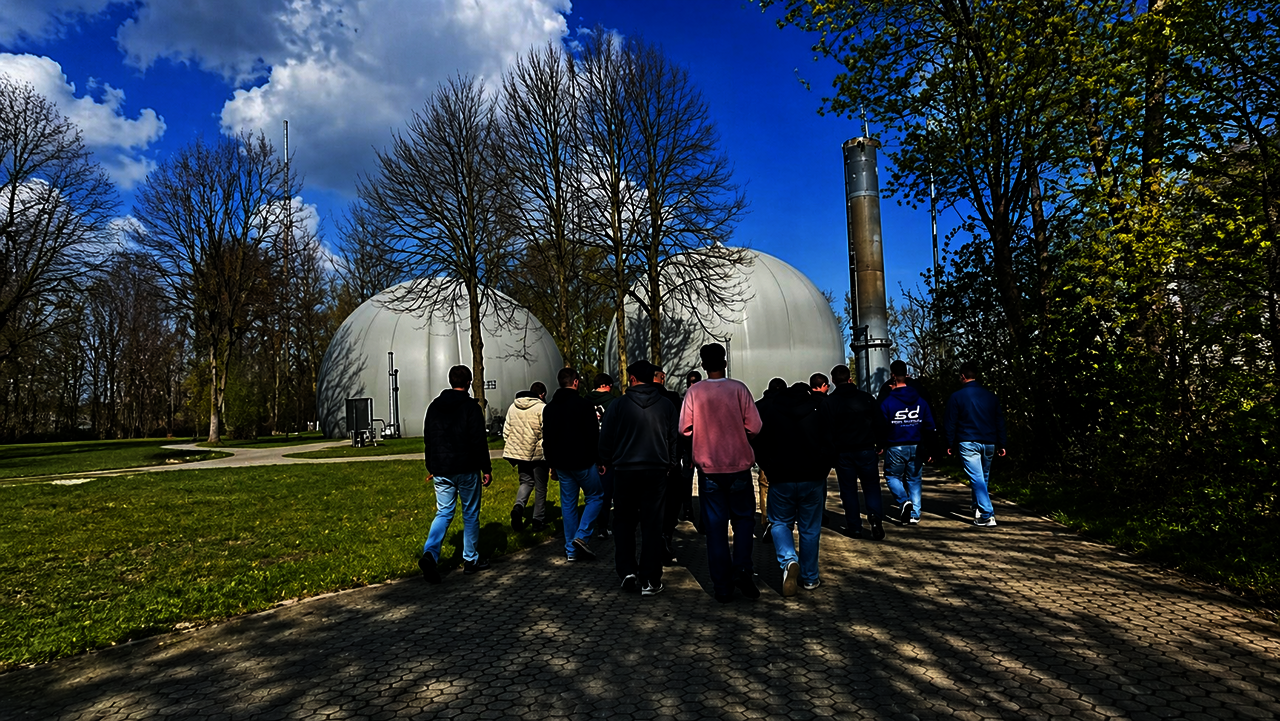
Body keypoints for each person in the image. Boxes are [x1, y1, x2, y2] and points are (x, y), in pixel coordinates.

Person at [679, 342, 763, 603]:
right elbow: (756, 426)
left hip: (709, 469)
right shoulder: (739, 389)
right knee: (744, 522)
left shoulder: (695, 392)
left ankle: (722, 587)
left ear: (703, 366)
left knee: (715, 529)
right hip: (738, 466)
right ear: (724, 363)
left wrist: (701, 436)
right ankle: (742, 569)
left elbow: (684, 429)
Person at [598, 360, 679, 596]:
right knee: (652, 524)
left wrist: (604, 460)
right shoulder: (666, 406)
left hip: (624, 471)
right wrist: (671, 464)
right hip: (656, 470)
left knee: (624, 521)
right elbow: (673, 439)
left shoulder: (618, 405)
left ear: (632, 379)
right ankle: (650, 579)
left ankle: (627, 571)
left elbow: (606, 438)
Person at [755, 381, 832, 596]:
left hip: (781, 478)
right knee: (810, 529)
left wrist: (768, 468)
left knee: (779, 522)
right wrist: (823, 469)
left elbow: (759, 443)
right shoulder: (819, 409)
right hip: (812, 478)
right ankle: (810, 578)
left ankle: (789, 560)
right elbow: (830, 441)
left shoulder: (771, 410)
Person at [418, 365, 493, 583]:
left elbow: (428, 438)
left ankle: (431, 554)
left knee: (443, 513)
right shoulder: (471, 408)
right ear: (469, 382)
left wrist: (431, 465)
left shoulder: (434, 407)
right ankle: (471, 559)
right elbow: (479, 441)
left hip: (441, 468)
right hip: (467, 468)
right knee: (470, 513)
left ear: (450, 382)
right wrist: (486, 468)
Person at [817, 364, 887, 540]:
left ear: (832, 380)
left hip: (843, 453)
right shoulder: (867, 399)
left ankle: (854, 527)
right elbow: (879, 422)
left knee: (848, 490)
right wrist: (880, 442)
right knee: (871, 487)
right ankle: (875, 518)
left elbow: (825, 431)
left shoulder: (829, 403)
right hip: (866, 449)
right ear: (850, 378)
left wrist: (830, 454)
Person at [542, 367, 605, 561]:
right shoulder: (584, 405)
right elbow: (594, 435)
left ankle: (570, 551)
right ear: (576, 382)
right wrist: (599, 459)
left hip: (561, 463)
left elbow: (547, 439)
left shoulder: (549, 408)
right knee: (596, 496)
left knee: (568, 504)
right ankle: (582, 535)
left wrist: (551, 464)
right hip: (583, 461)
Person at [945, 361, 1007, 527]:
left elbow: (951, 422)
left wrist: (949, 443)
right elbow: (999, 421)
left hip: (967, 441)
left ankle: (987, 515)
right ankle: (977, 508)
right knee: (982, 477)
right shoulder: (991, 396)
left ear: (963, 376)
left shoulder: (956, 397)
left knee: (976, 478)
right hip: (989, 442)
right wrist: (1002, 443)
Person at [880, 360, 936, 525]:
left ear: (892, 376)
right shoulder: (920, 401)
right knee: (914, 479)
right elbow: (930, 426)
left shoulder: (888, 401)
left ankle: (904, 502)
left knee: (892, 476)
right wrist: (932, 449)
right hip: (917, 445)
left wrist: (880, 445)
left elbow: (882, 426)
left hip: (896, 445)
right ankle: (915, 514)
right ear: (908, 375)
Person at [502, 381, 549, 532]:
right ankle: (538, 521)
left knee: (526, 482)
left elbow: (506, 431)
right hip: (538, 454)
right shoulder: (542, 408)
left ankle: (518, 507)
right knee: (541, 487)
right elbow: (547, 432)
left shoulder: (512, 406)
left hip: (519, 454)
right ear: (542, 395)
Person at [654, 365, 689, 562]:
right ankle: (666, 535)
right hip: (669, 460)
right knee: (671, 500)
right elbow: (679, 430)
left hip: (645, 462)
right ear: (663, 378)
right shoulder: (673, 399)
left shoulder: (628, 401)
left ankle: (655, 539)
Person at [753, 377, 789, 541]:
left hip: (764, 456)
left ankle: (766, 519)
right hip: (785, 456)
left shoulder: (758, 406)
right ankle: (782, 522)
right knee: (784, 489)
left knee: (764, 487)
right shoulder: (787, 406)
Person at [586, 373, 619, 539]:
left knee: (590, 493)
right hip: (608, 452)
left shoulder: (584, 401)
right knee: (607, 491)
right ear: (607, 385)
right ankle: (603, 526)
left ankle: (587, 526)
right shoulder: (614, 403)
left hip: (587, 451)